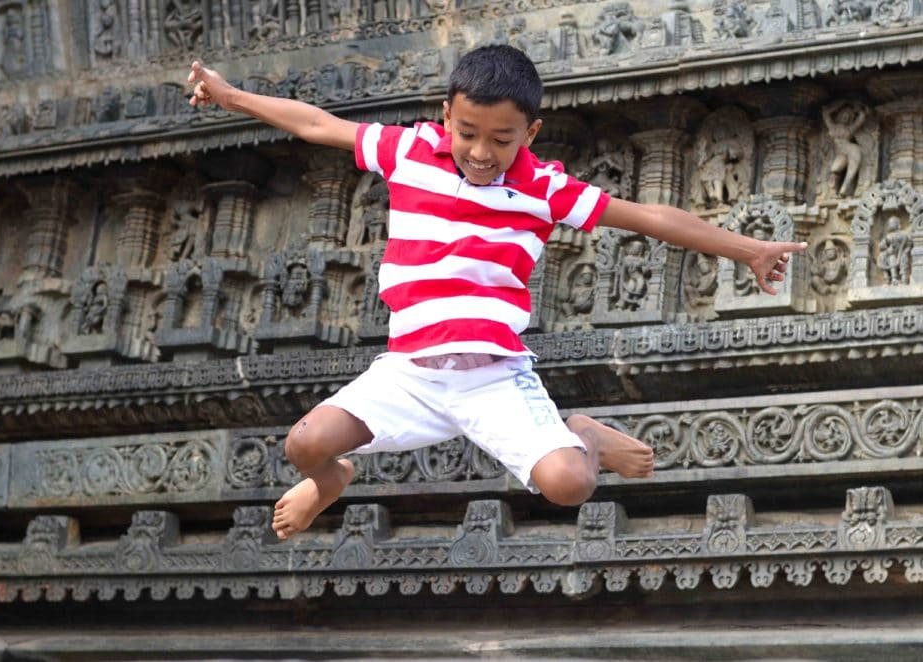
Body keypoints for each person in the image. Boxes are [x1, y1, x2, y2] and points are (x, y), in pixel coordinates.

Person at [187, 45, 806, 540]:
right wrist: (229, 94)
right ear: (445, 115)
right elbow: (317, 124)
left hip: (492, 377)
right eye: (468, 133)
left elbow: (647, 216)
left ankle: (583, 435)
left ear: (530, 132)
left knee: (568, 484)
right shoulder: (409, 150)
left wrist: (747, 249)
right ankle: (332, 482)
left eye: (502, 139)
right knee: (305, 445)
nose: (482, 152)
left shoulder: (544, 189)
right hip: (408, 372)